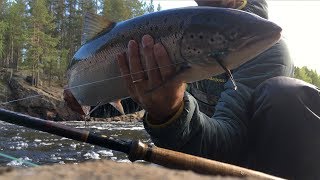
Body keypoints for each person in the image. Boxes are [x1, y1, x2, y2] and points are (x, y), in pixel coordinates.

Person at [65, 0, 320, 179]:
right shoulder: (180, 31)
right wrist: (82, 100)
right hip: (189, 158)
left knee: (287, 95)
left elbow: (228, 143)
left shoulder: (262, 44)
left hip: (251, 167)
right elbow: (133, 98)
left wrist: (172, 111)